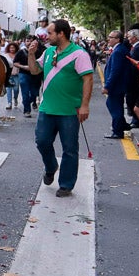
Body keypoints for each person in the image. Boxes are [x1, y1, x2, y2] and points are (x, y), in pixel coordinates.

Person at [34, 18, 93, 197]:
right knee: (42, 141)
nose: (47, 35)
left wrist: (84, 105)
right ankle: (51, 166)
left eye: (50, 33)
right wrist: (30, 55)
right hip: (47, 108)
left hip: (69, 111)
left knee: (69, 148)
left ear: (61, 34)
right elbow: (35, 70)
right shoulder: (49, 51)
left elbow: (88, 79)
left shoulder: (79, 54)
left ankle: (66, 184)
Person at [101, 30, 134, 139]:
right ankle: (123, 125)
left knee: (115, 107)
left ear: (118, 39)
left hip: (117, 85)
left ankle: (118, 130)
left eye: (111, 37)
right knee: (112, 104)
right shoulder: (118, 50)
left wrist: (107, 86)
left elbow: (116, 71)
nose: (108, 39)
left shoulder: (118, 51)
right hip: (118, 84)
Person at [3, 41, 20, 110]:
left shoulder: (19, 54)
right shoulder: (5, 55)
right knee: (9, 89)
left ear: (16, 48)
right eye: (10, 48)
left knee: (16, 89)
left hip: (17, 73)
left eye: (13, 48)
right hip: (8, 74)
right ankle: (9, 103)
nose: (12, 49)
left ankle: (15, 98)